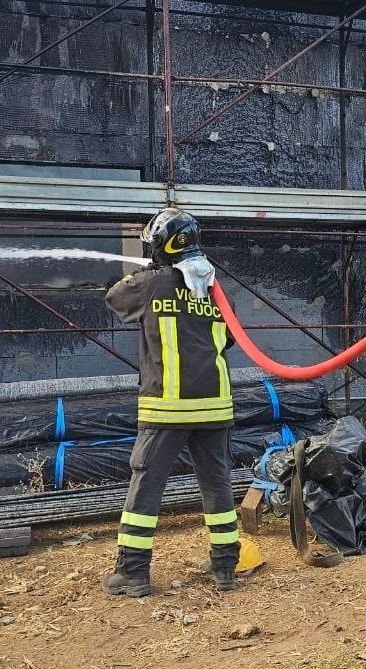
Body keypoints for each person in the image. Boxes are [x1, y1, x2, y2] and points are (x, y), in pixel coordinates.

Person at [101, 207, 240, 597]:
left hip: (168, 407)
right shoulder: (214, 287)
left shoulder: (151, 284)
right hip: (215, 406)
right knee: (217, 484)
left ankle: (132, 571)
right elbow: (228, 338)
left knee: (147, 482)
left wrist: (141, 275)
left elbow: (114, 298)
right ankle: (226, 566)